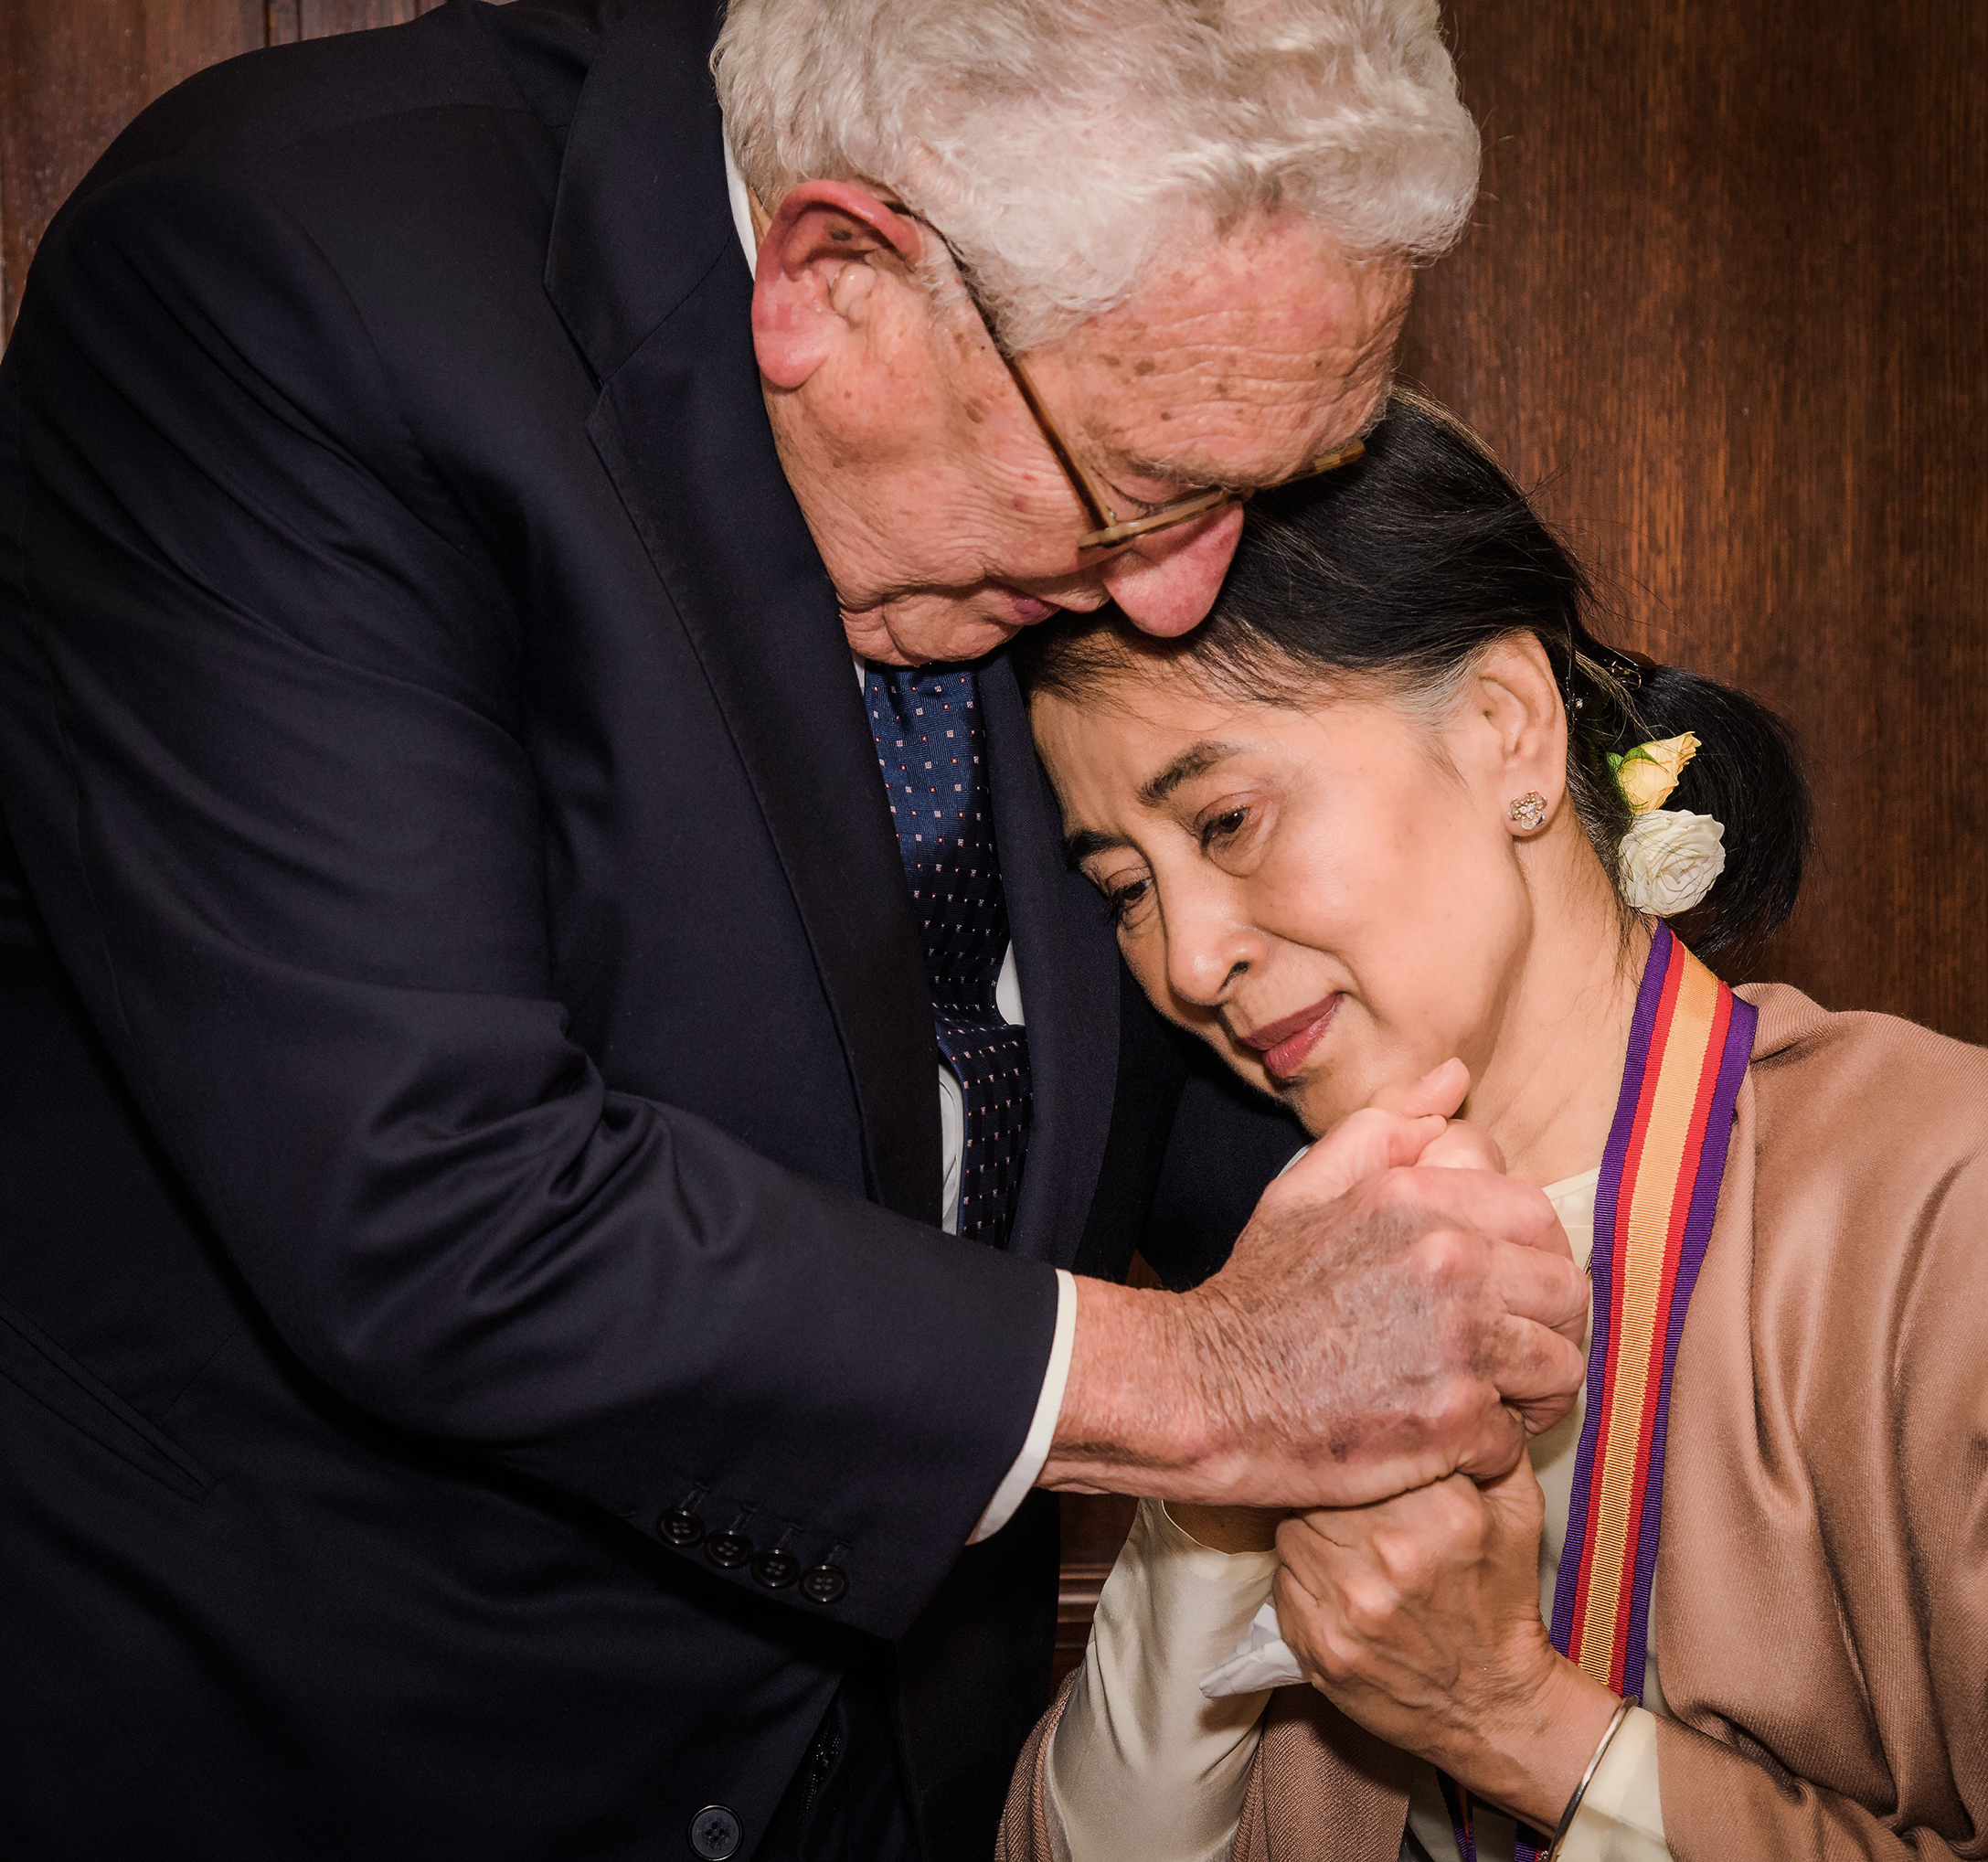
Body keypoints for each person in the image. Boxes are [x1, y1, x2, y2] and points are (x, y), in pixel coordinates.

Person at [0, 5, 1593, 1859]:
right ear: (834, 276)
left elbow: (1186, 1063)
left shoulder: (1054, 423)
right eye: (1148, 487)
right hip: (320, 1761)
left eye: (1264, 493)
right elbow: (436, 1195)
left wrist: (1625, 1193)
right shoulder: (294, 275)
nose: (1184, 596)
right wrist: (1224, 1380)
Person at [1000, 393, 1988, 1861]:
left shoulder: (1954, 1194)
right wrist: (1231, 1435)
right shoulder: (1303, 1276)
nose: (1188, 962)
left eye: (1230, 821)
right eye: (1127, 886)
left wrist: (1510, 1718)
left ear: (1507, 724)